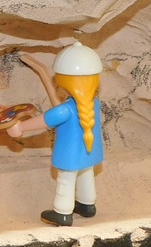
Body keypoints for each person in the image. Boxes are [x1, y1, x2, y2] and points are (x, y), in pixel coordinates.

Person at [7, 42, 103, 226]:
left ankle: (62, 212)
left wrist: (20, 127)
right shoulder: (94, 104)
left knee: (66, 179)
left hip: (70, 154)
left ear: (63, 80)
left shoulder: (64, 110)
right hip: (90, 151)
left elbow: (43, 120)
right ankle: (87, 205)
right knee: (86, 173)